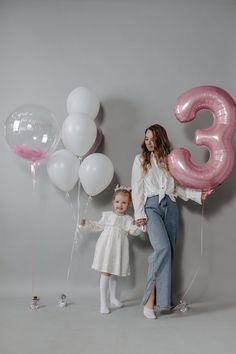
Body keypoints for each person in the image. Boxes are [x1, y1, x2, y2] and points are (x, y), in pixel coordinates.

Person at [131, 124, 210, 320]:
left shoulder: (170, 160)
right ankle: (149, 301)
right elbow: (137, 187)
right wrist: (139, 214)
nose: (148, 142)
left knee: (170, 254)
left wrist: (199, 195)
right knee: (162, 249)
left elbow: (179, 189)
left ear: (160, 139)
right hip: (151, 207)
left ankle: (165, 303)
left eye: (152, 139)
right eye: (146, 138)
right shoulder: (140, 159)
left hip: (171, 207)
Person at [80, 185, 143, 314]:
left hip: (119, 250)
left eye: (124, 202)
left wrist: (138, 225)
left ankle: (113, 297)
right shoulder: (108, 216)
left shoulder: (128, 220)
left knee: (114, 273)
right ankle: (103, 303)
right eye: (118, 201)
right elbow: (98, 226)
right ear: (113, 201)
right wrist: (86, 223)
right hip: (106, 248)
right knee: (106, 273)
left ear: (129, 204)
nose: (120, 205)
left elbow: (133, 231)